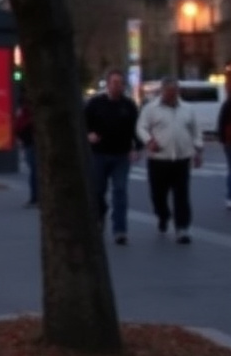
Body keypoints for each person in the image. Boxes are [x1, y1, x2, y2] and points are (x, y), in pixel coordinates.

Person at [136, 77, 203, 245]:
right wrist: (148, 140)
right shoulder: (151, 109)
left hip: (181, 158)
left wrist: (198, 149)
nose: (172, 95)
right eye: (169, 92)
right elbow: (141, 127)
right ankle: (163, 215)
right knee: (158, 194)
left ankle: (182, 228)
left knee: (182, 194)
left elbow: (196, 130)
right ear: (162, 91)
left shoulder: (187, 109)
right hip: (159, 159)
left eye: (175, 92)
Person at [84, 69, 142, 245]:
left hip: (121, 155)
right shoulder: (95, 104)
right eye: (114, 83)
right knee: (98, 190)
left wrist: (136, 147)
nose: (117, 86)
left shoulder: (129, 105)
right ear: (108, 84)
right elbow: (82, 123)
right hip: (99, 154)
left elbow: (136, 129)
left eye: (120, 83)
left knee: (120, 191)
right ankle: (99, 216)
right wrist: (89, 135)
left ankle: (120, 230)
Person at [14, 96, 37, 208]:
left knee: (34, 171)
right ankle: (36, 197)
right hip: (31, 144)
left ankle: (35, 197)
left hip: (29, 144)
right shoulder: (26, 114)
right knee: (35, 171)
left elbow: (18, 128)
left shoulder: (24, 114)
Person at [217, 92, 231, 210]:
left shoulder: (227, 104)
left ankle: (229, 198)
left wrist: (222, 140)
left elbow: (221, 122)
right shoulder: (228, 104)